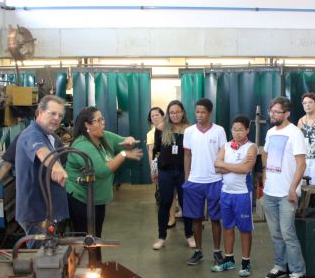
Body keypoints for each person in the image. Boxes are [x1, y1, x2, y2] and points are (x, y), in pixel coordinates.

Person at [65, 106, 142, 239]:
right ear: (87, 125)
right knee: (86, 239)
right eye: (98, 120)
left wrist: (129, 140)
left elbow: (123, 141)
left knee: (96, 237)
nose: (103, 123)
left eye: (103, 119)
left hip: (97, 199)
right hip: (82, 200)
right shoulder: (82, 145)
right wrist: (123, 154)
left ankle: (95, 259)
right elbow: (102, 170)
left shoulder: (104, 136)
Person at [262, 96, 308, 278]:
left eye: (277, 112)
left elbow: (301, 163)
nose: (273, 115)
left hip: (286, 193)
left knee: (288, 233)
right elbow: (266, 154)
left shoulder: (294, 133)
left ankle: (298, 272)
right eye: (271, 111)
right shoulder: (271, 132)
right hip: (270, 191)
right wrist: (265, 180)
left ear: (287, 113)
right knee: (275, 234)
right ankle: (281, 266)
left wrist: (293, 188)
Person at [15, 95, 69, 237]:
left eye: (60, 115)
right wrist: (56, 166)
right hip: (36, 213)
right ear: (39, 112)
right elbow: (41, 151)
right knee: (44, 256)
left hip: (48, 211)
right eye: (52, 113)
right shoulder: (32, 134)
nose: (57, 118)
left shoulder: (52, 137)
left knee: (51, 253)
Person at [182, 98, 227, 266]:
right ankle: (198, 251)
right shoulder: (189, 132)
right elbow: (187, 155)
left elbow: (223, 155)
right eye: (197, 112)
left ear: (210, 113)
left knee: (216, 219)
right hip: (194, 181)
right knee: (196, 219)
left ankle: (216, 251)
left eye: (203, 112)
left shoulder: (219, 131)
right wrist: (187, 179)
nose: (199, 115)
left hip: (215, 180)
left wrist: (222, 175)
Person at [211, 115, 257, 277]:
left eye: (240, 130)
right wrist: (236, 166)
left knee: (244, 229)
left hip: (242, 194)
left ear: (247, 130)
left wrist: (225, 165)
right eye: (234, 129)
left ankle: (246, 262)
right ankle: (229, 259)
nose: (237, 133)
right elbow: (217, 166)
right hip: (226, 193)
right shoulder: (226, 146)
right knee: (227, 226)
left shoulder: (251, 147)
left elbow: (246, 169)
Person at [152, 100, 195, 250]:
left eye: (177, 112)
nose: (175, 115)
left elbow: (194, 152)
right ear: (168, 114)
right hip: (166, 171)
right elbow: (156, 151)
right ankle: (161, 237)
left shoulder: (190, 129)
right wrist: (154, 171)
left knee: (185, 203)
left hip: (184, 172)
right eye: (171, 112)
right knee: (164, 203)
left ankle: (189, 235)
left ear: (183, 112)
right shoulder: (161, 128)